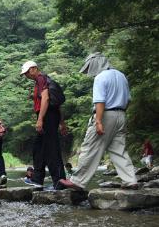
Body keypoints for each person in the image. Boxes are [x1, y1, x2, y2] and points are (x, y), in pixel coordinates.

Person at [59, 53, 138, 190]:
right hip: (121, 114)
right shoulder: (121, 75)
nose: (89, 70)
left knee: (90, 148)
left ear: (96, 63)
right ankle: (130, 180)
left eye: (89, 66)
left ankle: (78, 181)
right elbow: (128, 99)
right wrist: (121, 115)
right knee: (119, 150)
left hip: (105, 115)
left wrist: (98, 121)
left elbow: (100, 101)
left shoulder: (100, 77)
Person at [20, 60, 67, 189]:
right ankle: (37, 179)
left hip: (47, 117)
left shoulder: (41, 79)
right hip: (51, 116)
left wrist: (40, 119)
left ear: (34, 69)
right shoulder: (43, 80)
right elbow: (56, 104)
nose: (26, 76)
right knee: (39, 149)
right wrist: (62, 122)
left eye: (27, 73)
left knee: (51, 150)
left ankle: (59, 182)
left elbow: (45, 99)